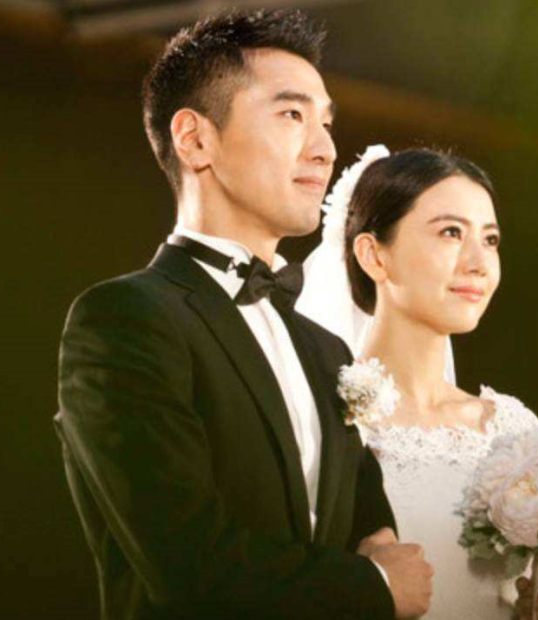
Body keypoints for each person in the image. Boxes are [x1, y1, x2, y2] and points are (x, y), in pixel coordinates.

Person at [54, 10, 433, 620]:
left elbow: (366, 523)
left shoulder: (327, 351)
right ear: (195, 139)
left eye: (326, 123)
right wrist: (377, 587)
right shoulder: (124, 319)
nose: (325, 150)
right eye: (292, 115)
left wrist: (380, 548)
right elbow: (188, 565)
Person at [297, 147, 538, 619]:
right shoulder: (325, 419)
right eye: (451, 232)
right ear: (374, 255)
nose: (479, 262)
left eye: (490, 240)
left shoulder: (516, 432)